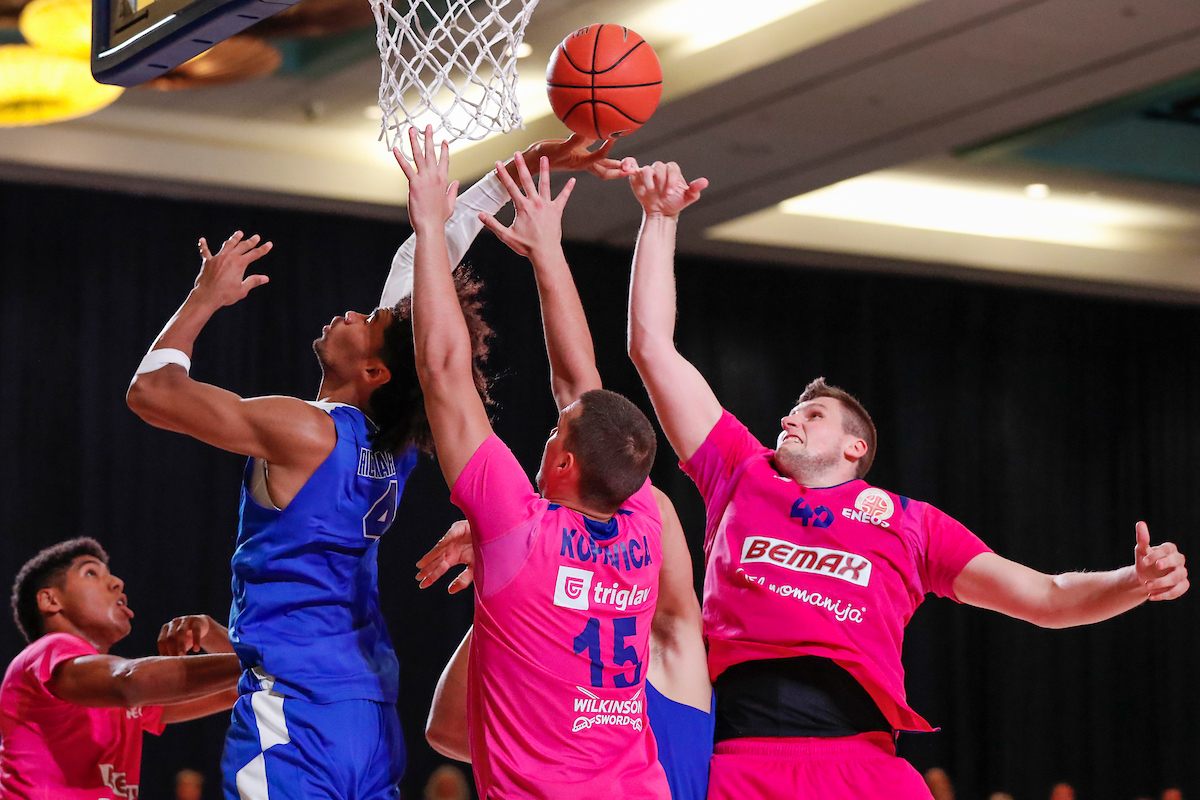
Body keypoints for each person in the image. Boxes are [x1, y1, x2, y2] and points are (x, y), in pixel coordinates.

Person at [622, 160, 1190, 799]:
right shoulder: (740, 472)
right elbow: (652, 349)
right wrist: (660, 218)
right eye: (791, 412)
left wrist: (1134, 582)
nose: (789, 419)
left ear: (855, 447)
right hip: (744, 755)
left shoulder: (911, 524)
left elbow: (1049, 597)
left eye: (812, 415)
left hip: (863, 765)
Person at [125, 132, 625, 799]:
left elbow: (151, 394)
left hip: (296, 712)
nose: (353, 310)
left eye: (365, 320)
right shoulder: (397, 445)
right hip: (365, 707)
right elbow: (422, 259)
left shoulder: (303, 428)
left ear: (373, 369)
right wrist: (534, 161)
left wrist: (204, 299)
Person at [399, 125, 672, 799]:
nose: (550, 430)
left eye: (556, 432)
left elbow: (443, 370)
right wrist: (546, 253)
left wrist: (432, 229)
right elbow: (582, 390)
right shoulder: (640, 522)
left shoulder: (519, 527)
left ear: (565, 464)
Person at [0, 537, 240, 800]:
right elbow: (129, 682)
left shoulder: (113, 694)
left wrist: (211, 632)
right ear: (50, 600)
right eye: (91, 572)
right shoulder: (48, 651)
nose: (117, 583)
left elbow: (235, 690)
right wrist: (267, 657)